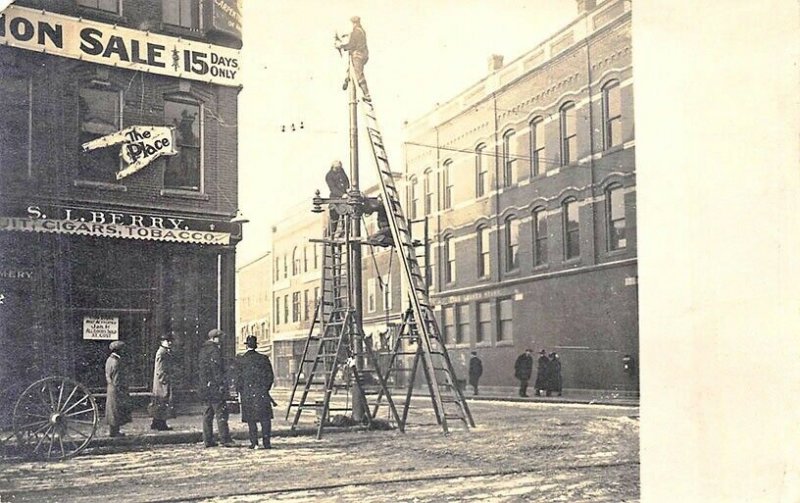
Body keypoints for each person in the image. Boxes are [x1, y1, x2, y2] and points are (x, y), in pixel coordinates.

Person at [236, 336, 275, 449]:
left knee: (251, 420)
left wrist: (240, 392)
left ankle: (254, 443)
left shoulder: (241, 360)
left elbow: (239, 379)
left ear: (246, 345)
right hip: (262, 393)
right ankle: (267, 443)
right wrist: (265, 389)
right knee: (265, 419)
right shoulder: (264, 358)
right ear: (256, 345)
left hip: (247, 394)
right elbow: (270, 376)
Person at [199, 328, 234, 447]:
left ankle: (207, 440)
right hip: (215, 387)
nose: (221, 339)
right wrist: (221, 384)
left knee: (207, 414)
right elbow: (216, 370)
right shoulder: (214, 351)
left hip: (205, 387)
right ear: (214, 338)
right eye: (219, 337)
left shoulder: (203, 350)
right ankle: (225, 439)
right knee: (221, 413)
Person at [335, 16, 370, 100]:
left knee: (359, 75)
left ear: (354, 23)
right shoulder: (360, 31)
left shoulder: (356, 32)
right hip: (362, 54)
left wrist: (341, 46)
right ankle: (347, 79)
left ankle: (367, 95)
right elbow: (353, 39)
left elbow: (351, 44)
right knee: (351, 69)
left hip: (358, 54)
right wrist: (346, 35)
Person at [105, 341, 131, 437]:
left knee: (113, 410)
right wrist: (121, 389)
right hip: (117, 389)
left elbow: (108, 375)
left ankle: (113, 431)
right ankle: (115, 432)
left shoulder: (109, 359)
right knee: (116, 410)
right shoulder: (117, 362)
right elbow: (117, 378)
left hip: (111, 388)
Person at [149, 334, 175, 431]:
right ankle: (161, 424)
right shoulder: (162, 352)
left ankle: (156, 422)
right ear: (162, 342)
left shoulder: (165, 351)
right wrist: (164, 380)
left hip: (161, 381)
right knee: (162, 401)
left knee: (159, 402)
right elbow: (160, 369)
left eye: (170, 341)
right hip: (161, 382)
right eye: (167, 341)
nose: (170, 342)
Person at [325, 160, 350, 235]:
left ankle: (344, 233)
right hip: (335, 199)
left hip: (344, 198)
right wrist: (342, 194)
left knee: (347, 216)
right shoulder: (329, 175)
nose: (339, 170)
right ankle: (330, 235)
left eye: (340, 168)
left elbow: (346, 180)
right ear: (333, 167)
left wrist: (348, 188)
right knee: (334, 219)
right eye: (337, 168)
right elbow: (332, 188)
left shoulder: (341, 171)